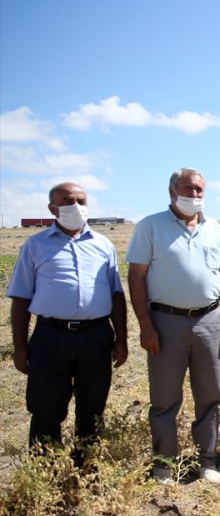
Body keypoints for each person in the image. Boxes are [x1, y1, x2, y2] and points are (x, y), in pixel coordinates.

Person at [125, 168, 220, 483]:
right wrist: (145, 325)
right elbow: (136, 277)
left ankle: (208, 460)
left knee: (210, 394)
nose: (195, 195)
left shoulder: (213, 227)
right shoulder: (150, 226)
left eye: (200, 190)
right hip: (165, 321)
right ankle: (163, 463)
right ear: (172, 191)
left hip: (209, 320)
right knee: (164, 397)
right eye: (188, 189)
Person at [6, 182, 128, 460]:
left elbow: (116, 296)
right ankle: (46, 472)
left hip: (96, 337)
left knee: (93, 409)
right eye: (68, 201)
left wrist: (121, 339)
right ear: (52, 208)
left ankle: (86, 471)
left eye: (81, 201)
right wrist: (20, 346)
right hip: (51, 337)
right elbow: (21, 299)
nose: (76, 206)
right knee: (47, 408)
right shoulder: (35, 245)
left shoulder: (103, 245)